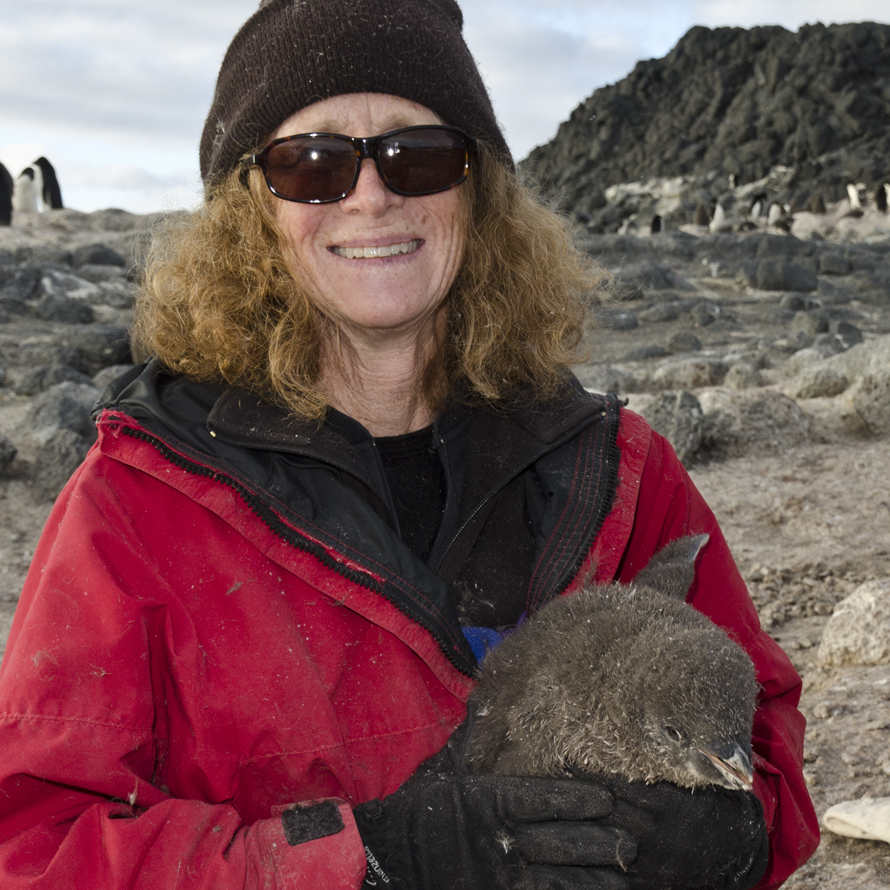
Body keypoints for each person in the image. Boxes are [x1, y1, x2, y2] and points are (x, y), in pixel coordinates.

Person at [0, 0, 818, 887]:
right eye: (311, 165)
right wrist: (372, 859)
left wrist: (735, 837)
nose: (371, 195)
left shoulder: (618, 474)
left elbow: (764, 745)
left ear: (478, 191)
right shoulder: (139, 503)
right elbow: (36, 844)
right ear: (251, 211)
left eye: (418, 154)